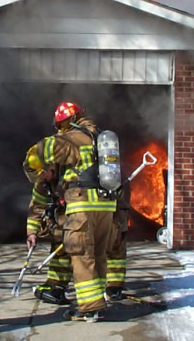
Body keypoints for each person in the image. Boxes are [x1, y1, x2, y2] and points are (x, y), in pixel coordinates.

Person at [27, 101, 116, 322]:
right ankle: (97, 300)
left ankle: (88, 308)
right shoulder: (101, 138)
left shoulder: (69, 139)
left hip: (82, 204)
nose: (59, 129)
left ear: (67, 121)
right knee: (98, 254)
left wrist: (36, 170)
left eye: (60, 125)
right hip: (105, 205)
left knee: (81, 254)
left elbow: (37, 151)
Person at [23, 144, 71, 305]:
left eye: (42, 174)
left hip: (87, 215)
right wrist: (32, 232)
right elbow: (36, 206)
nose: (41, 179)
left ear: (50, 165)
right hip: (66, 219)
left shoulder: (70, 173)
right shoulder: (43, 182)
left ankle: (106, 288)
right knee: (59, 239)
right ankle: (56, 285)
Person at [105, 179, 130, 301]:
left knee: (116, 248)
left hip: (117, 210)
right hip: (96, 209)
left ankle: (114, 287)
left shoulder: (115, 173)